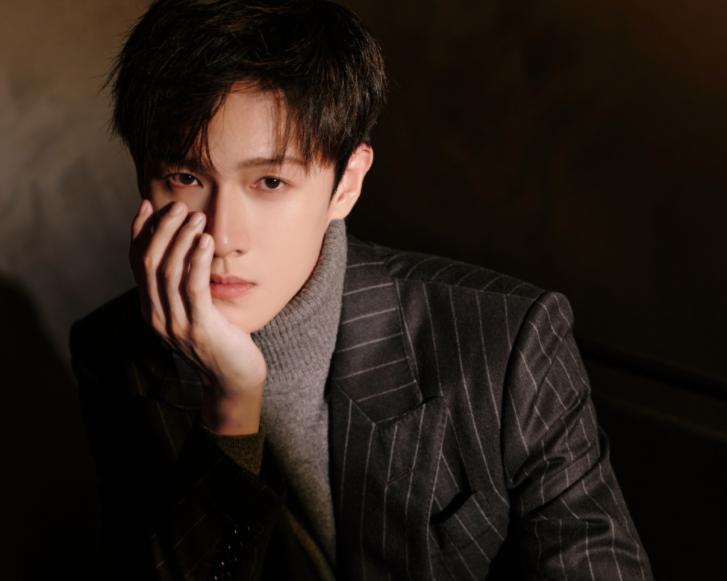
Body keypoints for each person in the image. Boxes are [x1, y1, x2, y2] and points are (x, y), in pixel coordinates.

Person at [69, 0, 653, 579]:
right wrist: (231, 401)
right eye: (185, 177)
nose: (222, 236)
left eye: (269, 181)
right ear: (142, 174)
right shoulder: (116, 355)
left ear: (346, 184)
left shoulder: (506, 341)